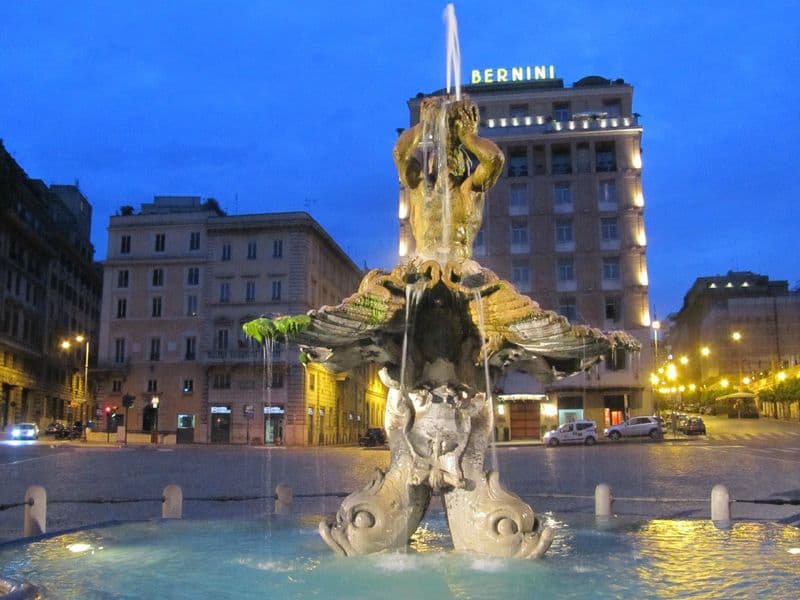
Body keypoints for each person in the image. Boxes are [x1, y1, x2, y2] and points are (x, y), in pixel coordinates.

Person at [393, 96, 504, 261]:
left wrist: (468, 137)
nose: (446, 163)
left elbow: (494, 159)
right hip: (423, 268)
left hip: (461, 270)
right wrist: (423, 126)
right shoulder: (420, 187)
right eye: (442, 158)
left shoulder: (469, 190)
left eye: (454, 157)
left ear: (464, 164)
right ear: (431, 163)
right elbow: (400, 153)